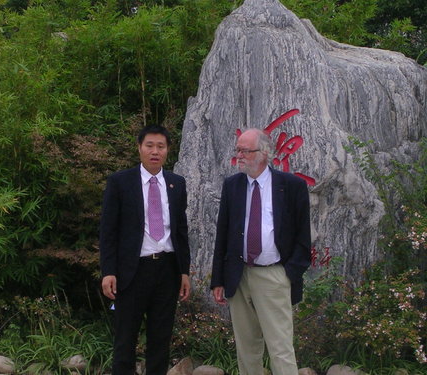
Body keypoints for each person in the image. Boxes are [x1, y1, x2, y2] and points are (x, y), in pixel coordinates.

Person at [210, 128, 311, 375]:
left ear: (264, 153)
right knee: (246, 349)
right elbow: (222, 233)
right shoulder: (232, 185)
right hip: (239, 274)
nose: (239, 156)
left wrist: (289, 273)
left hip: (274, 275)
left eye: (246, 150)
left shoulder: (291, 186)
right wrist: (218, 279)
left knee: (280, 347)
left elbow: (303, 236)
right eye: (238, 150)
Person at [100, 125, 191, 375]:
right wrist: (108, 271)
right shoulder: (120, 182)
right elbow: (108, 230)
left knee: (161, 339)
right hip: (132, 272)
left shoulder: (176, 183)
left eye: (160, 146)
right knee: (125, 340)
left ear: (167, 151)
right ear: (139, 148)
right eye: (149, 145)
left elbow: (181, 231)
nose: (155, 151)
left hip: (167, 270)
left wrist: (184, 271)